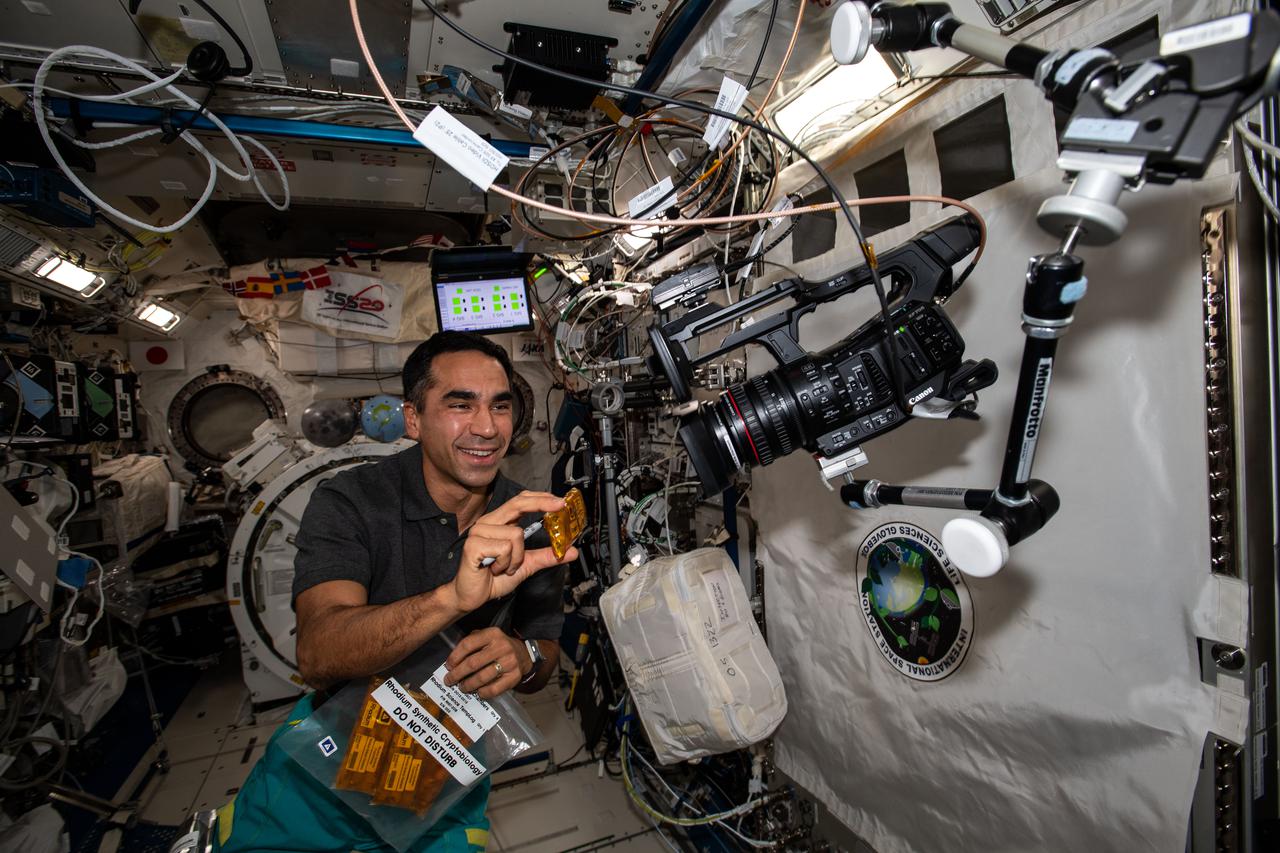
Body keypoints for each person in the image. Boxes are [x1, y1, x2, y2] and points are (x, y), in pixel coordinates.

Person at [215, 331, 576, 853]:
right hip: (329, 757)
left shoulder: (532, 521)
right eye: (460, 405)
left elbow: (545, 655)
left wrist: (524, 658)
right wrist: (452, 598)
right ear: (413, 419)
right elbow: (317, 653)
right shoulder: (350, 500)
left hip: (448, 761)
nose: (487, 427)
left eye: (500, 406)